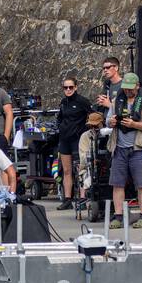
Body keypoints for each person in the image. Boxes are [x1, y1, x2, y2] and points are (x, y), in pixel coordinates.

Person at [107, 72, 142, 230]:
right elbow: (107, 121)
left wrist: (134, 124)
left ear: (137, 86)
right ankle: (118, 216)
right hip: (119, 147)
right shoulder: (116, 101)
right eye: (125, 89)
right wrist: (112, 121)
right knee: (117, 184)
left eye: (130, 89)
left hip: (139, 148)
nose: (128, 91)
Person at [55, 76, 92, 208]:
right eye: (66, 87)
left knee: (80, 169)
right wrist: (60, 127)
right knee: (66, 170)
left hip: (78, 139)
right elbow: (59, 117)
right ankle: (67, 199)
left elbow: (93, 116)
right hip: (65, 139)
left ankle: (82, 198)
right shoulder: (63, 102)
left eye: (71, 87)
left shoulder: (82, 101)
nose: (68, 90)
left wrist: (85, 130)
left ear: (76, 87)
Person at [96, 57, 124, 121]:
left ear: (116, 68)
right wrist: (101, 100)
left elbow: (128, 108)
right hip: (105, 120)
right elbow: (104, 101)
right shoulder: (107, 83)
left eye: (108, 67)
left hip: (117, 122)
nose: (105, 70)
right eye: (104, 68)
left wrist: (109, 105)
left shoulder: (124, 85)